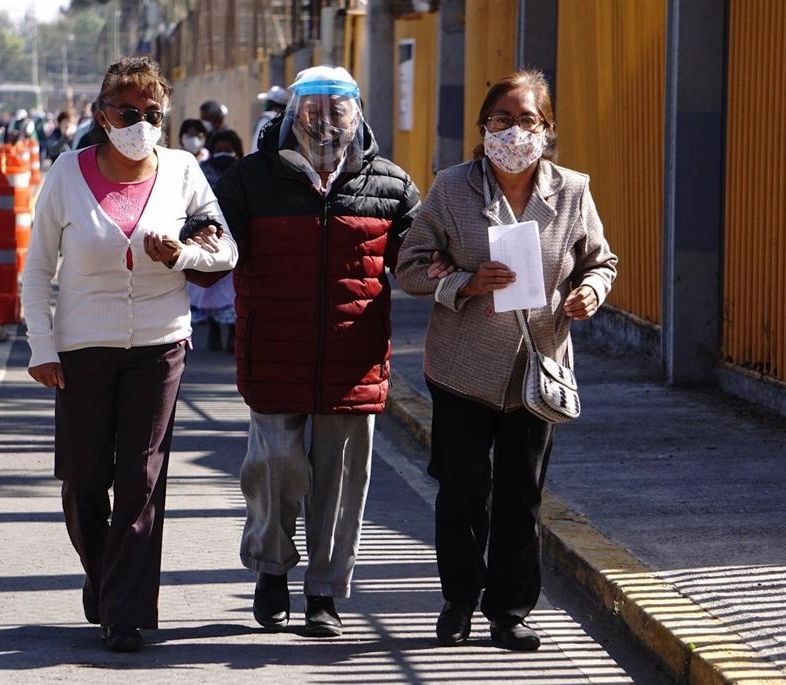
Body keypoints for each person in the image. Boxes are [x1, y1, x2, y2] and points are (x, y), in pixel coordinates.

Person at [395, 69, 618, 651]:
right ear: (483, 127)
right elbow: (410, 267)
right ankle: (458, 601)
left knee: (522, 494)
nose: (514, 131)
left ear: (547, 129)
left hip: (538, 369)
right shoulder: (451, 189)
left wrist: (590, 292)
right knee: (463, 489)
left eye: (527, 120)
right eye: (502, 119)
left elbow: (600, 261)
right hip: (462, 368)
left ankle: (511, 610)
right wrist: (465, 283)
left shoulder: (572, 190)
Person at [21, 55, 237, 653]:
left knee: (140, 477)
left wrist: (182, 256)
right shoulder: (67, 173)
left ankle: (125, 612)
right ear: (101, 115)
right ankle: (105, 578)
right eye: (128, 111)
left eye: (152, 113)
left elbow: (226, 251)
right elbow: (37, 270)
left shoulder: (183, 170)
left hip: (159, 345)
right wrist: (41, 344)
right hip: (82, 346)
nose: (141, 123)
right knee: (83, 479)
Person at [213, 65, 420, 637]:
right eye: (312, 109)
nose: (325, 121)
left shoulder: (391, 184)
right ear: (292, 114)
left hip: (353, 359)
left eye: (337, 109)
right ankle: (271, 568)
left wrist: (457, 270)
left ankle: (325, 592)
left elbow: (417, 258)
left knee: (342, 480)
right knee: (273, 468)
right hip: (274, 350)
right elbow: (216, 245)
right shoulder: (251, 178)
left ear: (357, 115)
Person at [193, 128, 244, 352]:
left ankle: (233, 333)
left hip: (236, 235)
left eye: (228, 149)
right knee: (210, 289)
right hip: (209, 237)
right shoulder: (202, 171)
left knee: (231, 289)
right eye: (220, 149)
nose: (224, 153)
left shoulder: (243, 171)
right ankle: (214, 330)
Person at [249, 85, 289, 153]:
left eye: (267, 101)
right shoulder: (286, 119)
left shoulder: (267, 119)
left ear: (272, 103)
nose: (265, 103)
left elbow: (256, 145)